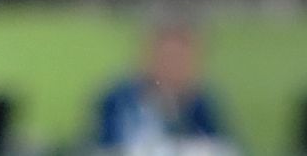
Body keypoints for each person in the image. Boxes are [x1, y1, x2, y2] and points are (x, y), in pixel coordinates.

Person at [94, 20, 230, 151]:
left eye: (180, 59)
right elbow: (97, 146)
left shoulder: (201, 107)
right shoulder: (117, 101)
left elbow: (221, 147)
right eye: (167, 57)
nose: (172, 67)